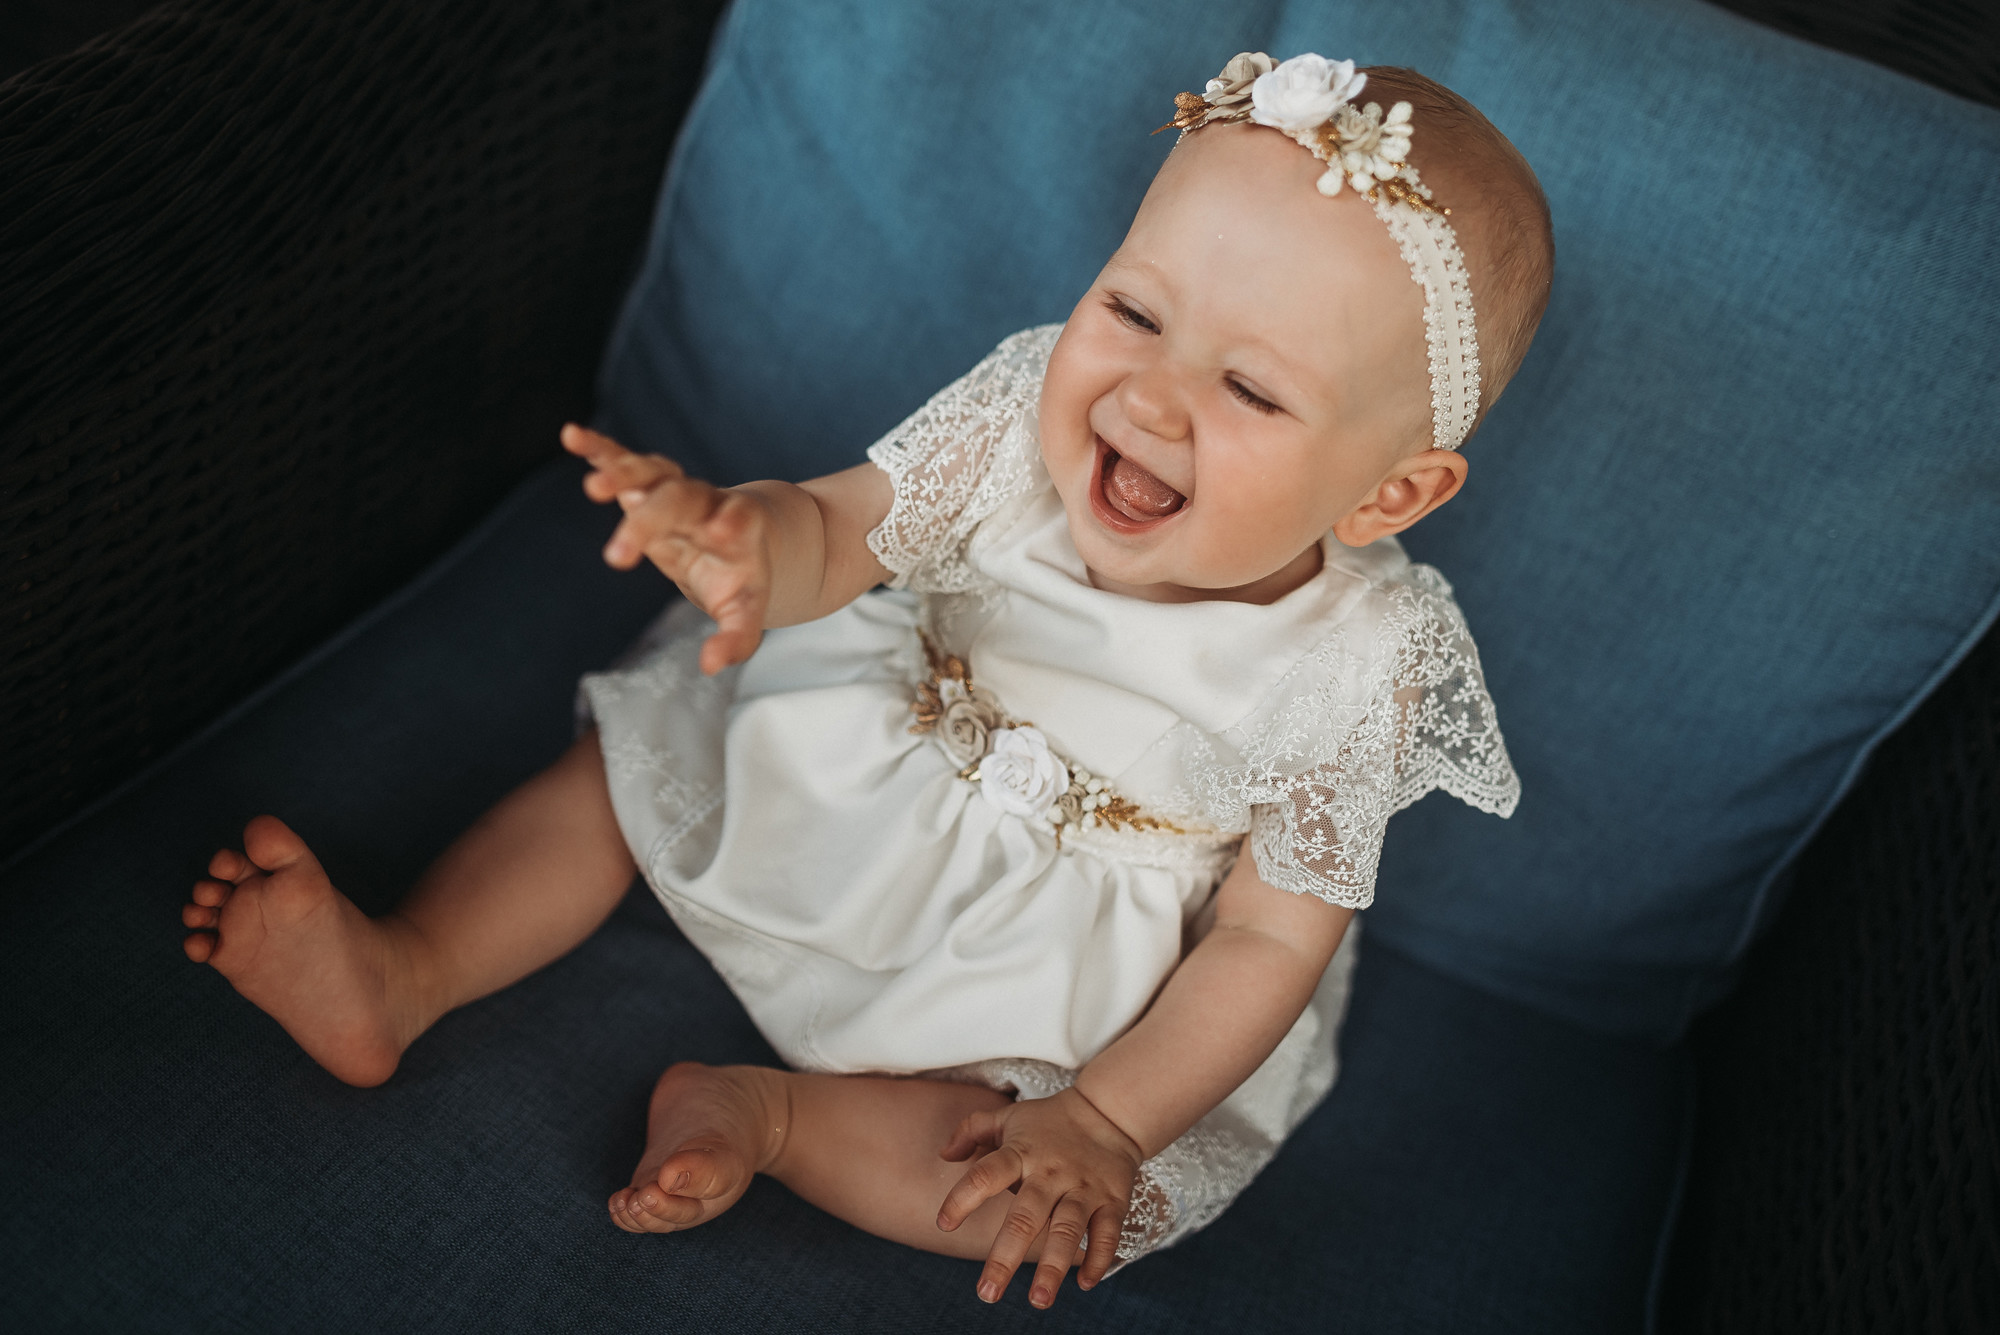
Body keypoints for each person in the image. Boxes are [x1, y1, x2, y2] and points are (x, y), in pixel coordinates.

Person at [180, 53, 1551, 1310]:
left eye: (1249, 390)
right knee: (626, 772)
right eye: (1133, 310)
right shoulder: (1024, 415)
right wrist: (741, 538)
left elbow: (1268, 942)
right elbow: (842, 529)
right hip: (878, 740)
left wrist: (1105, 1119)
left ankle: (768, 1118)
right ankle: (407, 969)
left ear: (1389, 493)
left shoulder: (1360, 662)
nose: (1146, 397)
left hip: (1069, 944)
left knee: (1033, 1196)